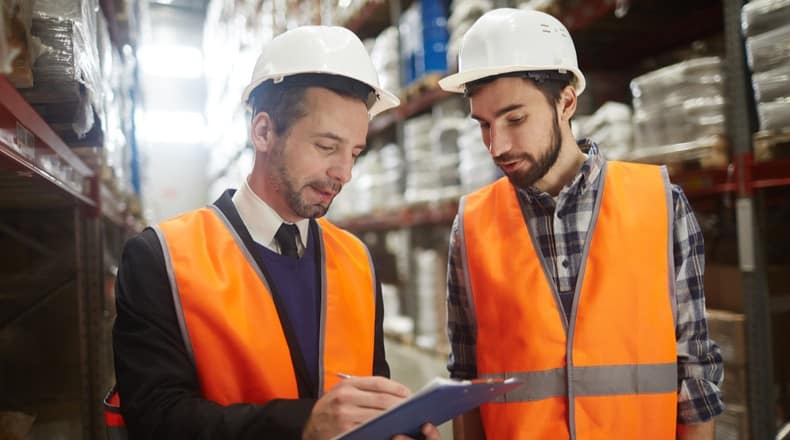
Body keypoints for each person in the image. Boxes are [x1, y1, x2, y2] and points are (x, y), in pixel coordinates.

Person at [111, 26, 440, 440]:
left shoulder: (356, 259)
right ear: (263, 132)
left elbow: (366, 401)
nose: (345, 173)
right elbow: (155, 418)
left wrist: (395, 427)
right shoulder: (161, 258)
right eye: (326, 147)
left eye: (354, 152)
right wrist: (303, 425)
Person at [437, 8, 724, 440]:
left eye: (515, 119)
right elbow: (467, 379)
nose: (497, 145)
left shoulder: (661, 204)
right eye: (484, 125)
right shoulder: (472, 226)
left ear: (566, 101)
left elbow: (696, 371)